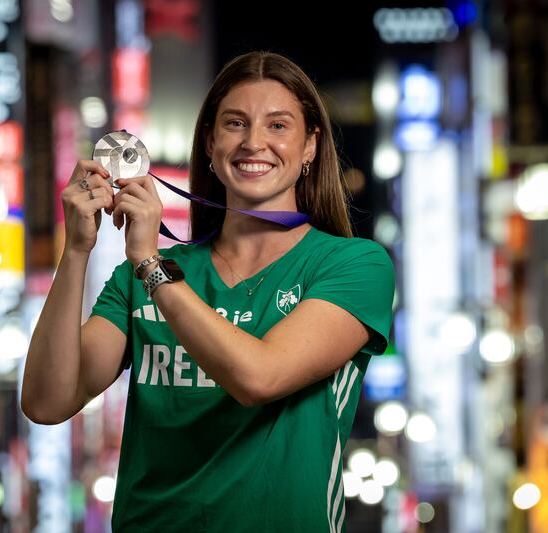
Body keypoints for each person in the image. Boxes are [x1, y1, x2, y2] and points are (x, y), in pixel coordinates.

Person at [21, 51, 395, 532]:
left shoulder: (353, 265)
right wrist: (76, 250)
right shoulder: (139, 281)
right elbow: (47, 403)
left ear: (310, 147)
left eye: (278, 126)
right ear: (211, 144)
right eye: (235, 124)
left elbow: (259, 378)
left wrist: (151, 266)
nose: (254, 142)